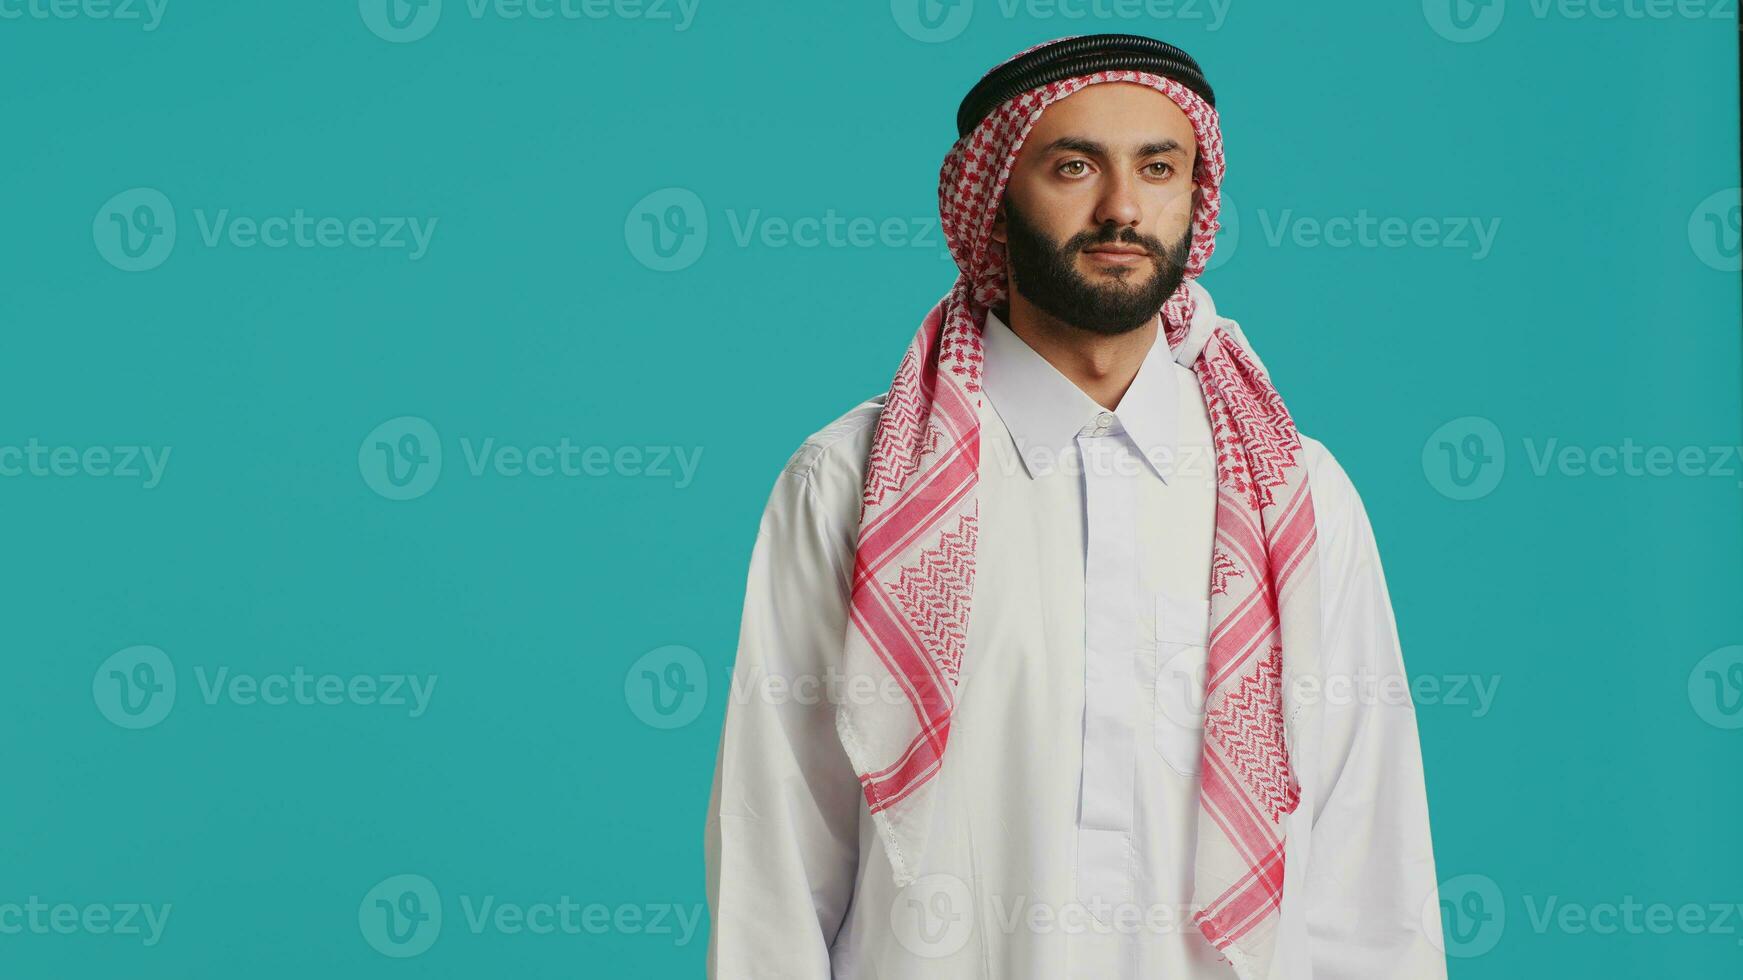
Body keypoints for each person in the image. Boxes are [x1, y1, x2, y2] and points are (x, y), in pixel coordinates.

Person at [704, 34, 1446, 980]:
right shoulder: (852, 484)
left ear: (1194, 196)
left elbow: (1368, 867)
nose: (1122, 208)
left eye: (1157, 168)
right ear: (991, 202)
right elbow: (773, 861)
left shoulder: (1292, 496)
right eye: (1072, 167)